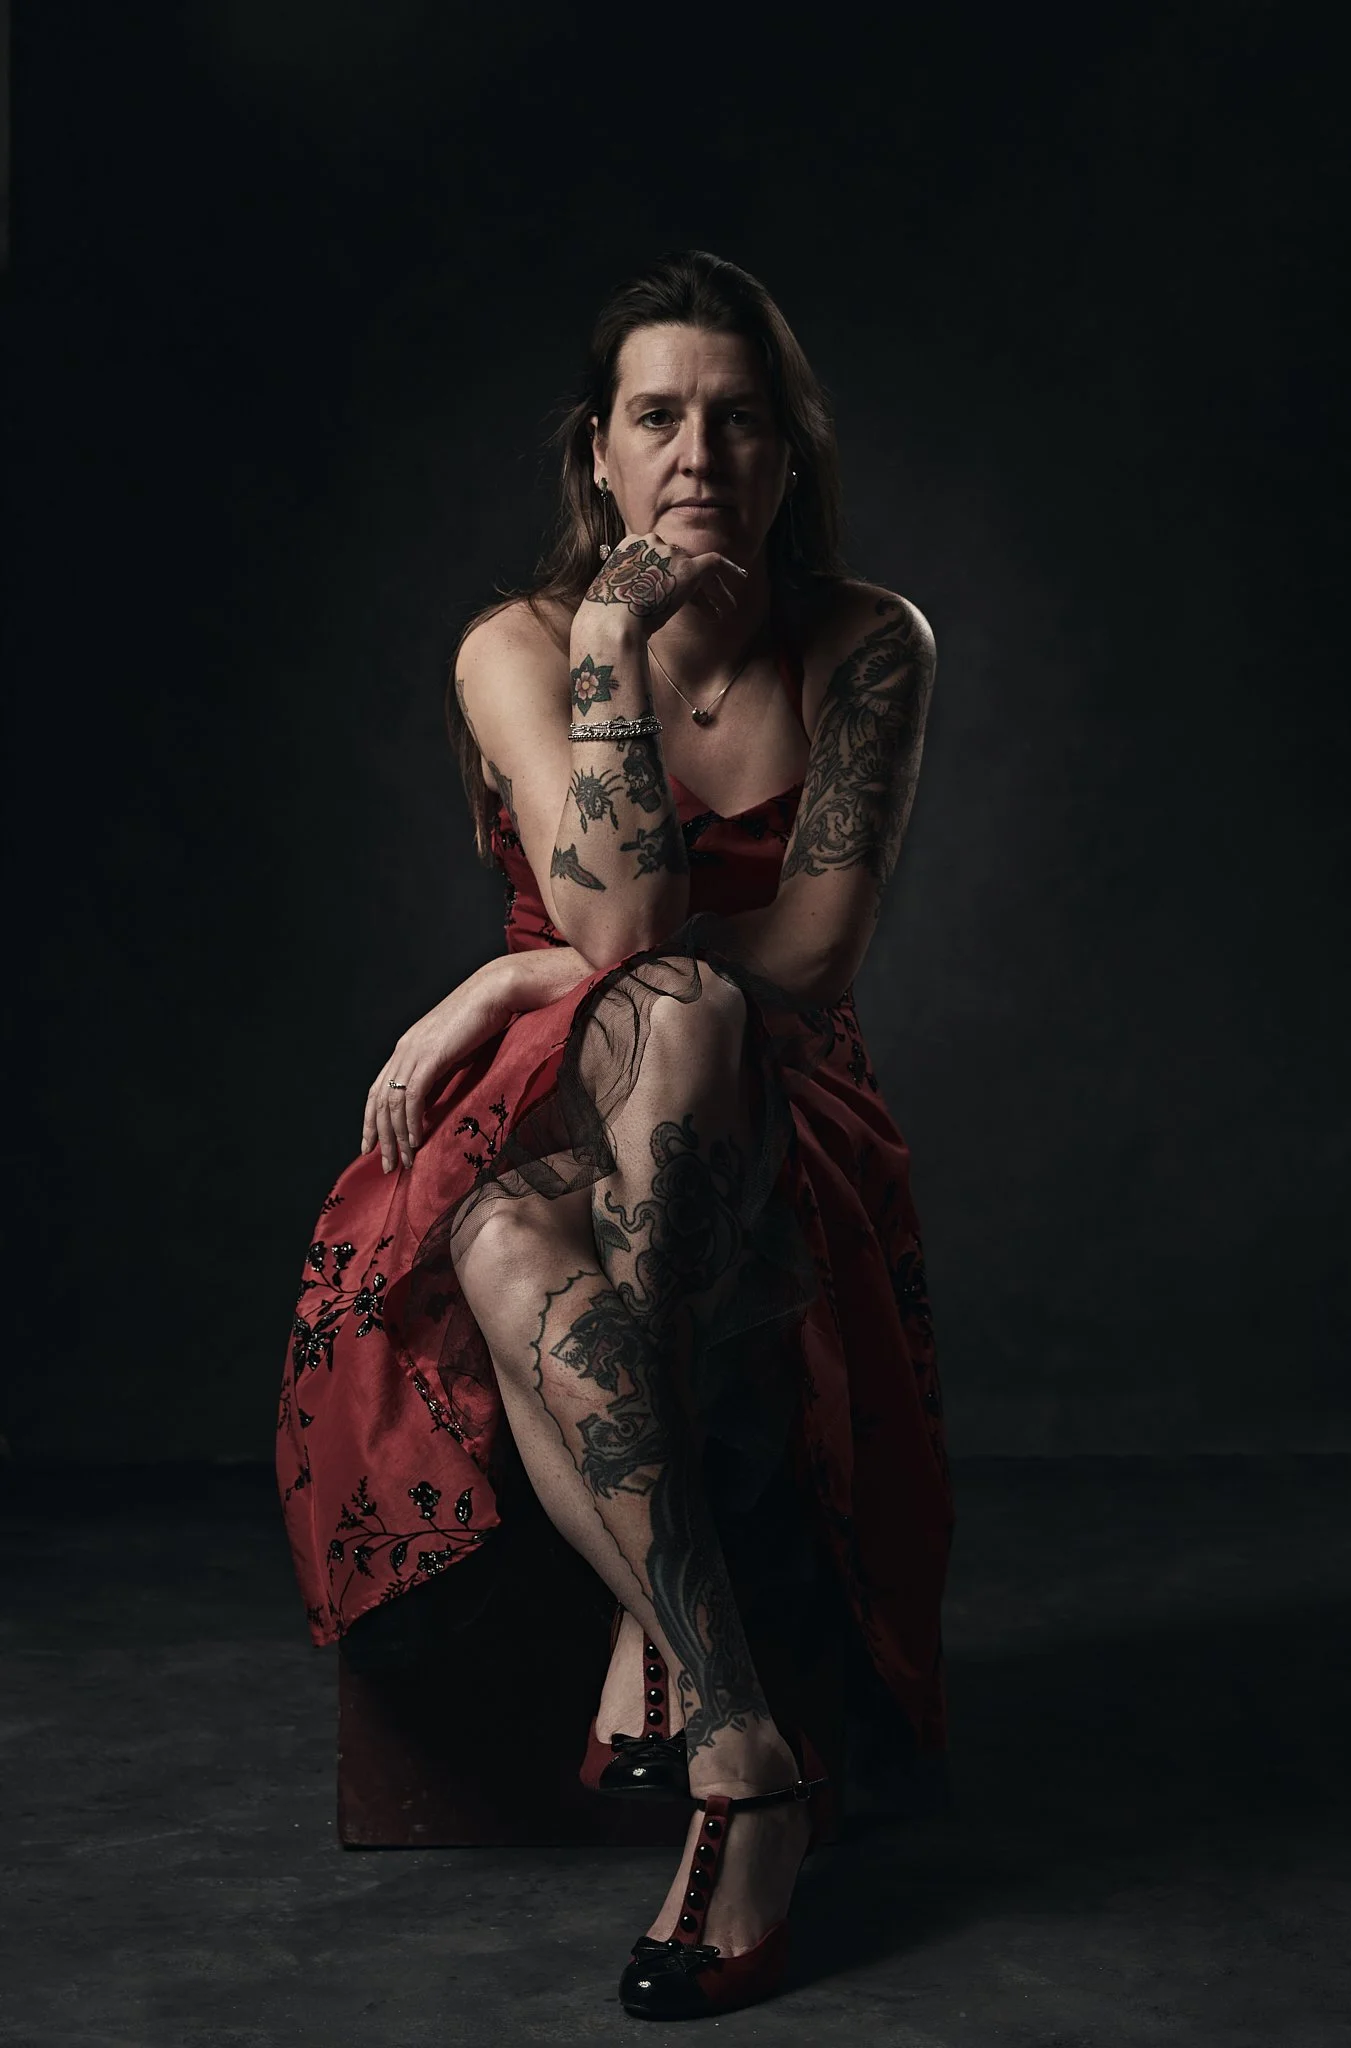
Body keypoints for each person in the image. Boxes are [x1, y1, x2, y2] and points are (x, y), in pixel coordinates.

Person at [276, 248, 952, 2020]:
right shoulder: (518, 645)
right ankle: (741, 1748)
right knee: (622, 1069)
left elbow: (810, 953)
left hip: (782, 1107)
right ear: (599, 449)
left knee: (667, 1057)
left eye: (738, 420)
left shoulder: (867, 644)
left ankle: (671, 1649)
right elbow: (632, 917)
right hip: (556, 1101)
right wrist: (606, 645)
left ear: (787, 454)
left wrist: (514, 973)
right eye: (658, 417)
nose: (697, 456)